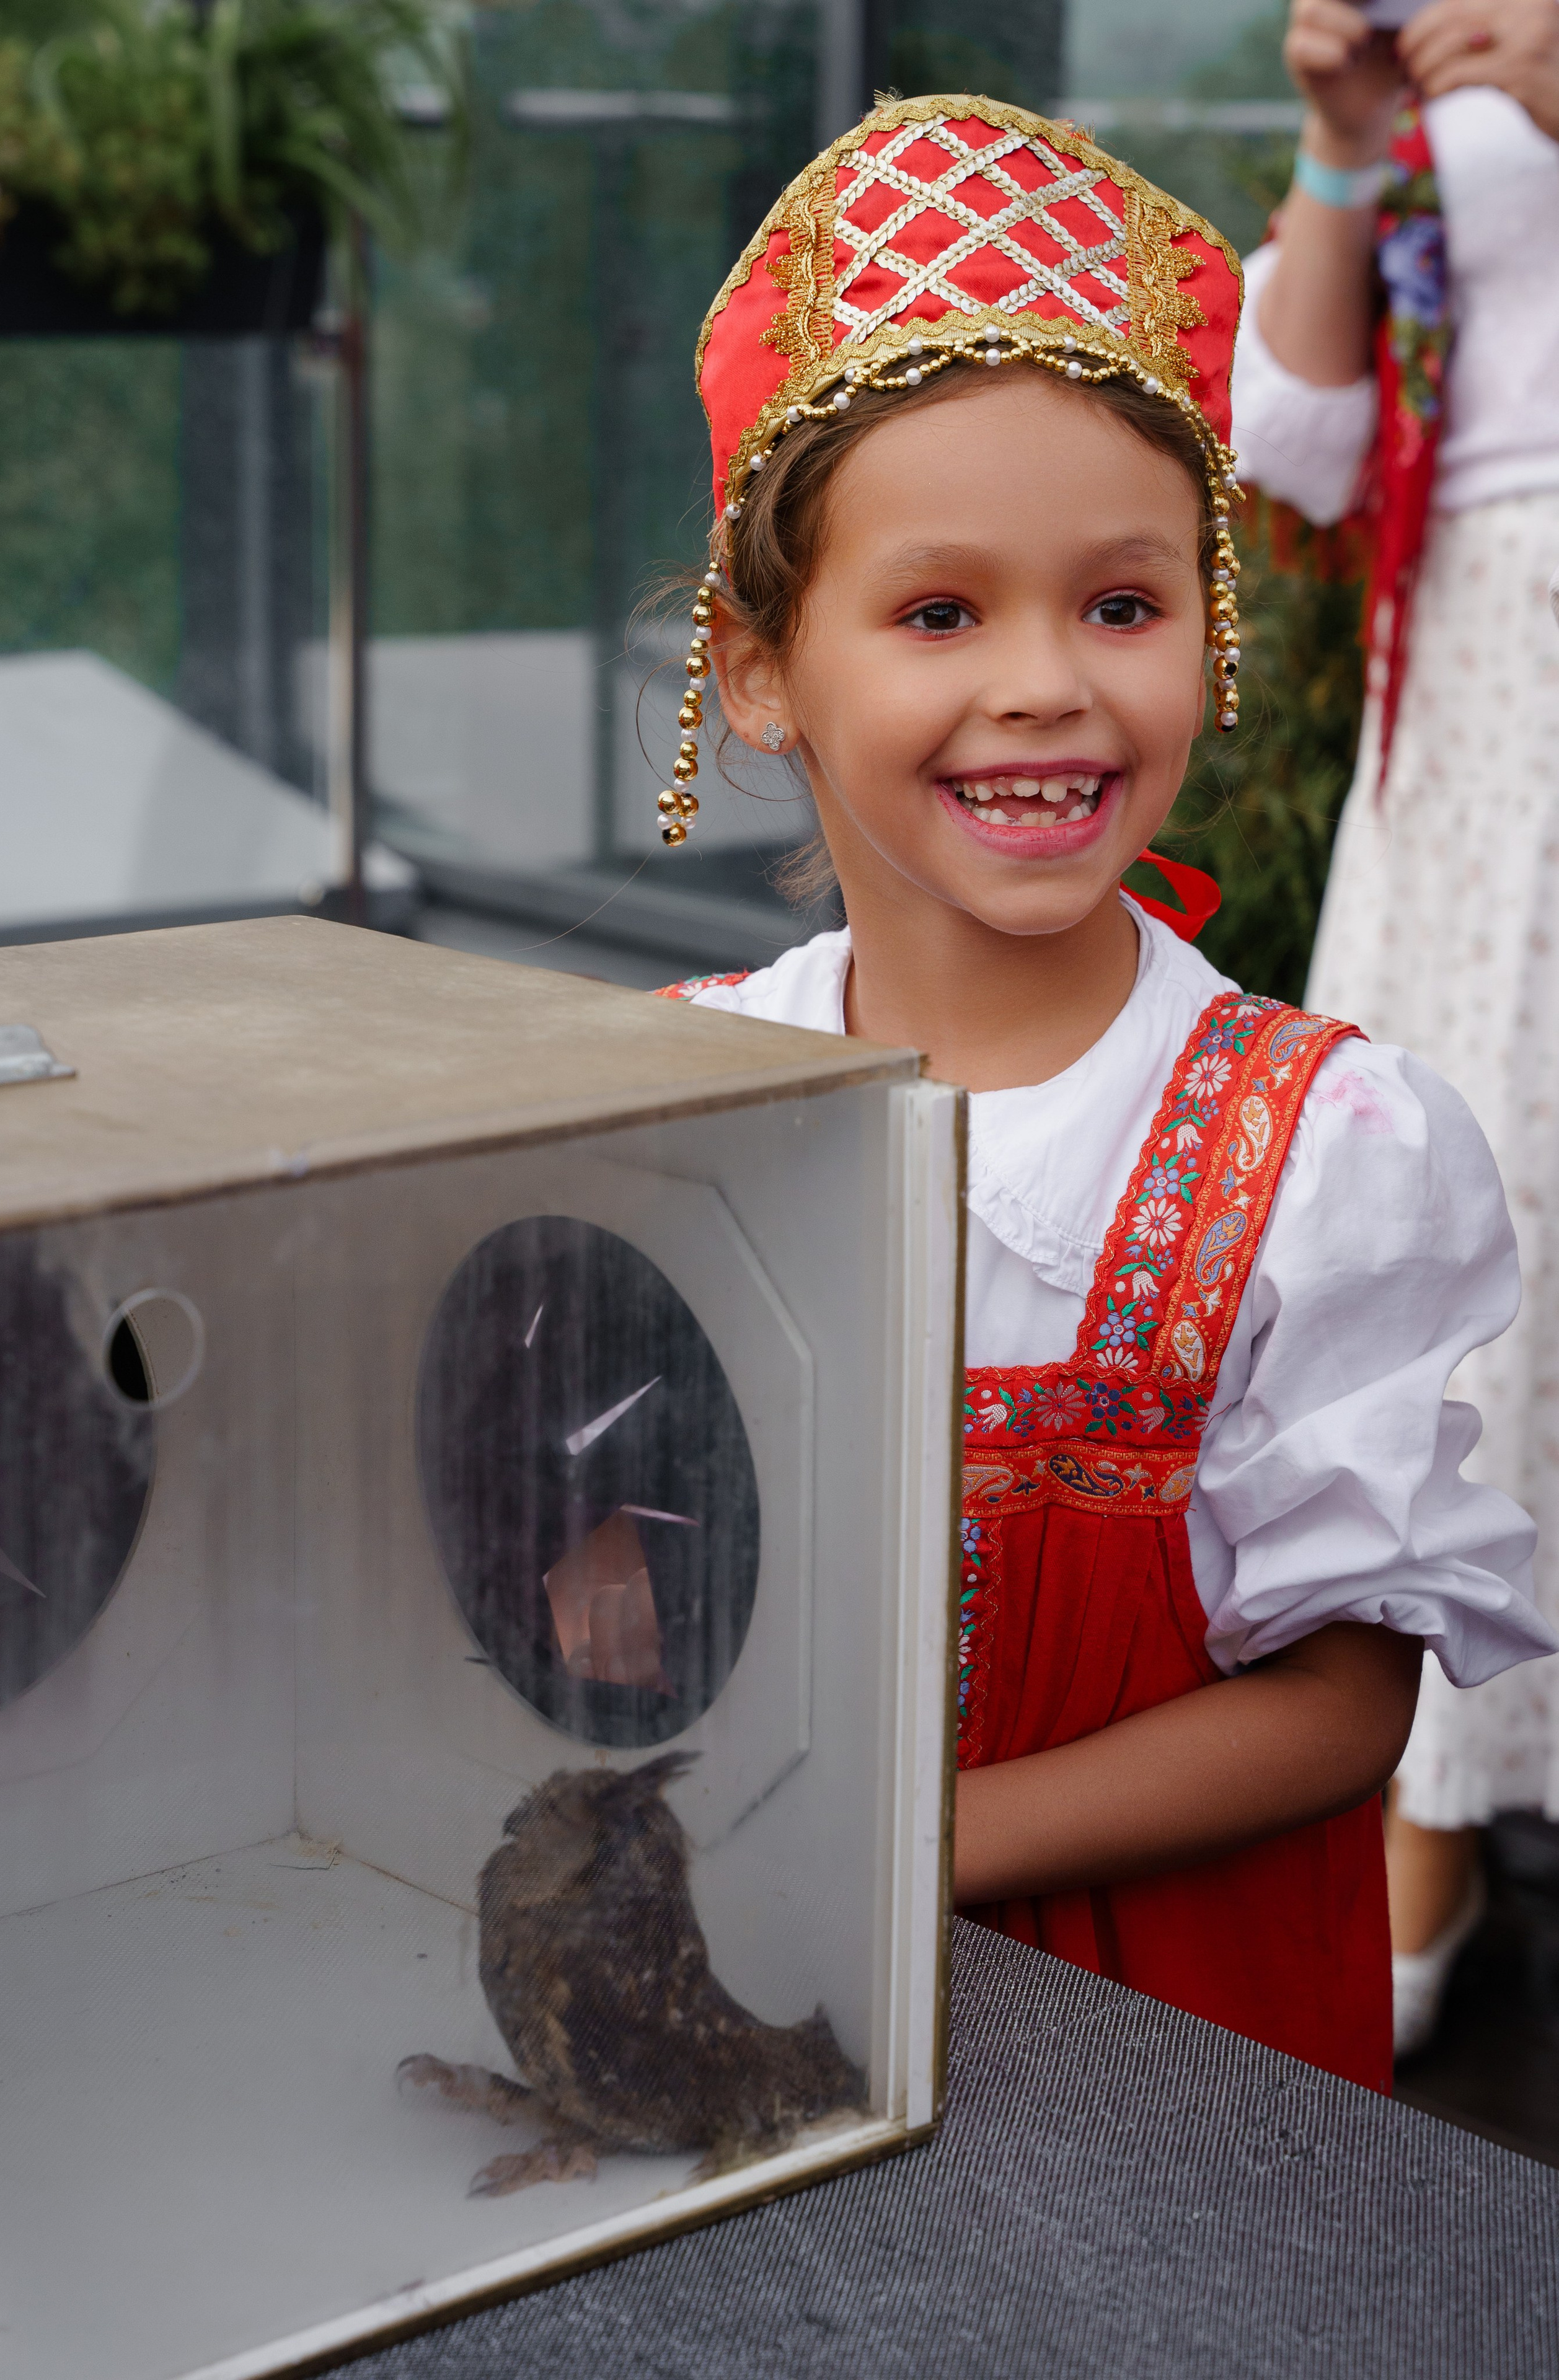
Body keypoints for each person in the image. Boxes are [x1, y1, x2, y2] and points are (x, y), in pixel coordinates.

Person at [649, 94, 1558, 2091]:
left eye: (1122, 604)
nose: (1050, 681)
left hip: (1161, 2071)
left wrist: (907, 1847)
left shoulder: (1318, 1155)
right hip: (746, 2020)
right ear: (758, 665)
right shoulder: (681, 1092)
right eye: (942, 612)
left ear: (1208, 635)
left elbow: (1340, 1705)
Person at [1230, 0, 1559, 2054]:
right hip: (1483, 664)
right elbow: (1291, 440)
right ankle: (1429, 1786)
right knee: (1468, 1199)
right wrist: (1350, 141)